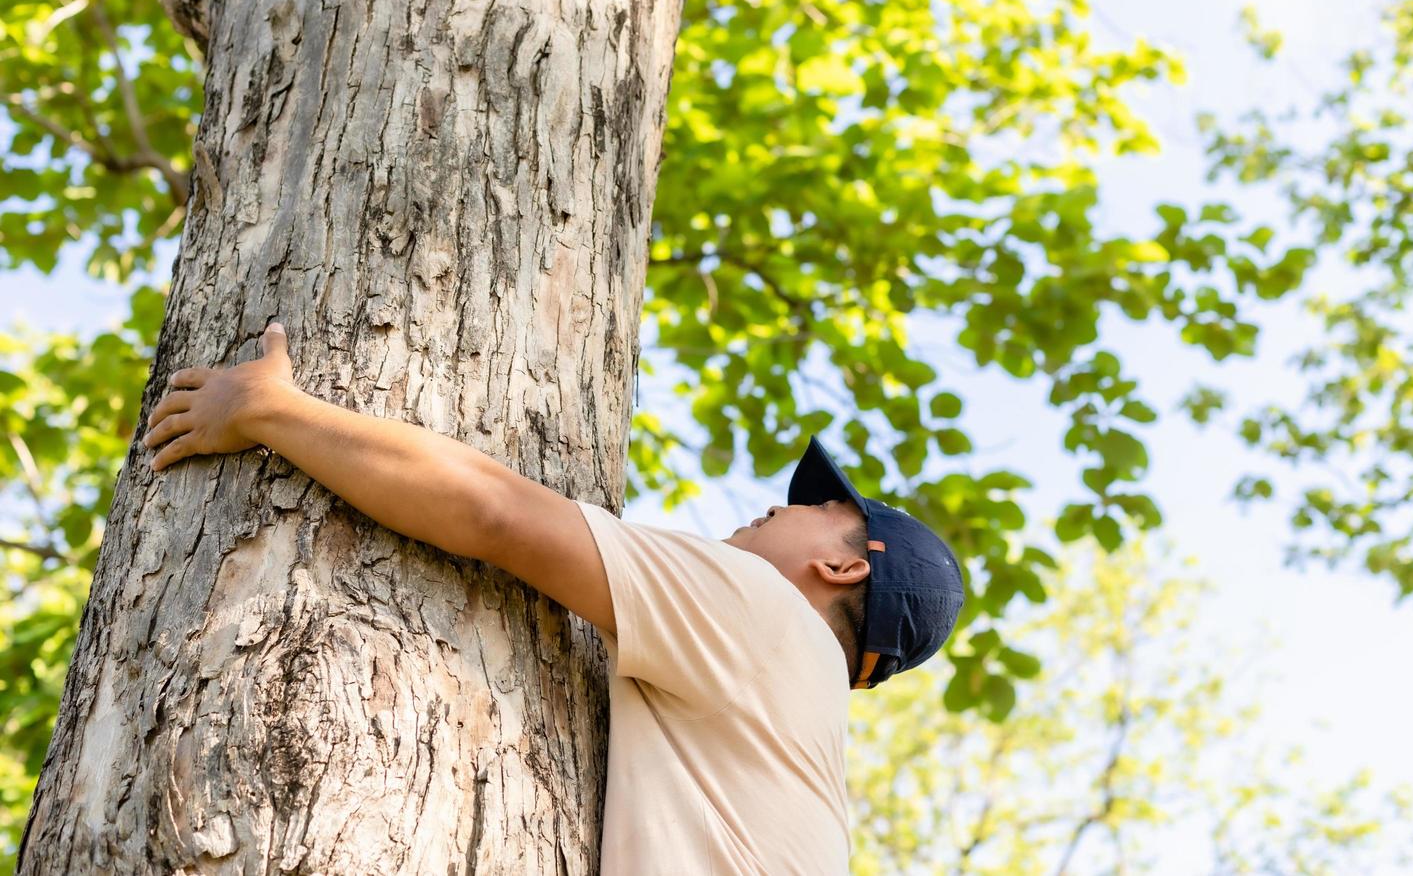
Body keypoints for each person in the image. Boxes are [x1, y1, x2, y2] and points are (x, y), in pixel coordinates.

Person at [142, 322, 966, 874]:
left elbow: (494, 512)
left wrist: (266, 408)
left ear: (846, 568)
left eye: (821, 509)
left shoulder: (769, 615)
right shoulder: (797, 721)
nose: (781, 506)